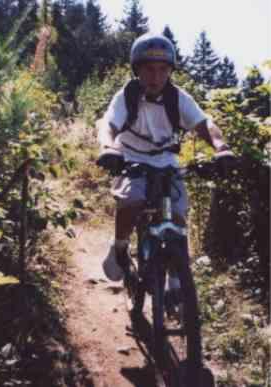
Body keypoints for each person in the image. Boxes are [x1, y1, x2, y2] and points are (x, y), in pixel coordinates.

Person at [97, 32, 233, 282]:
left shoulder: (177, 97)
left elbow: (204, 125)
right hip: (130, 157)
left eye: (162, 69)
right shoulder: (127, 96)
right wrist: (108, 148)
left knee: (178, 215)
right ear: (137, 70)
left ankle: (175, 276)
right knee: (131, 200)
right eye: (149, 69)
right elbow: (109, 125)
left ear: (170, 71)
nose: (156, 77)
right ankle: (120, 246)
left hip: (166, 161)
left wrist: (221, 147)